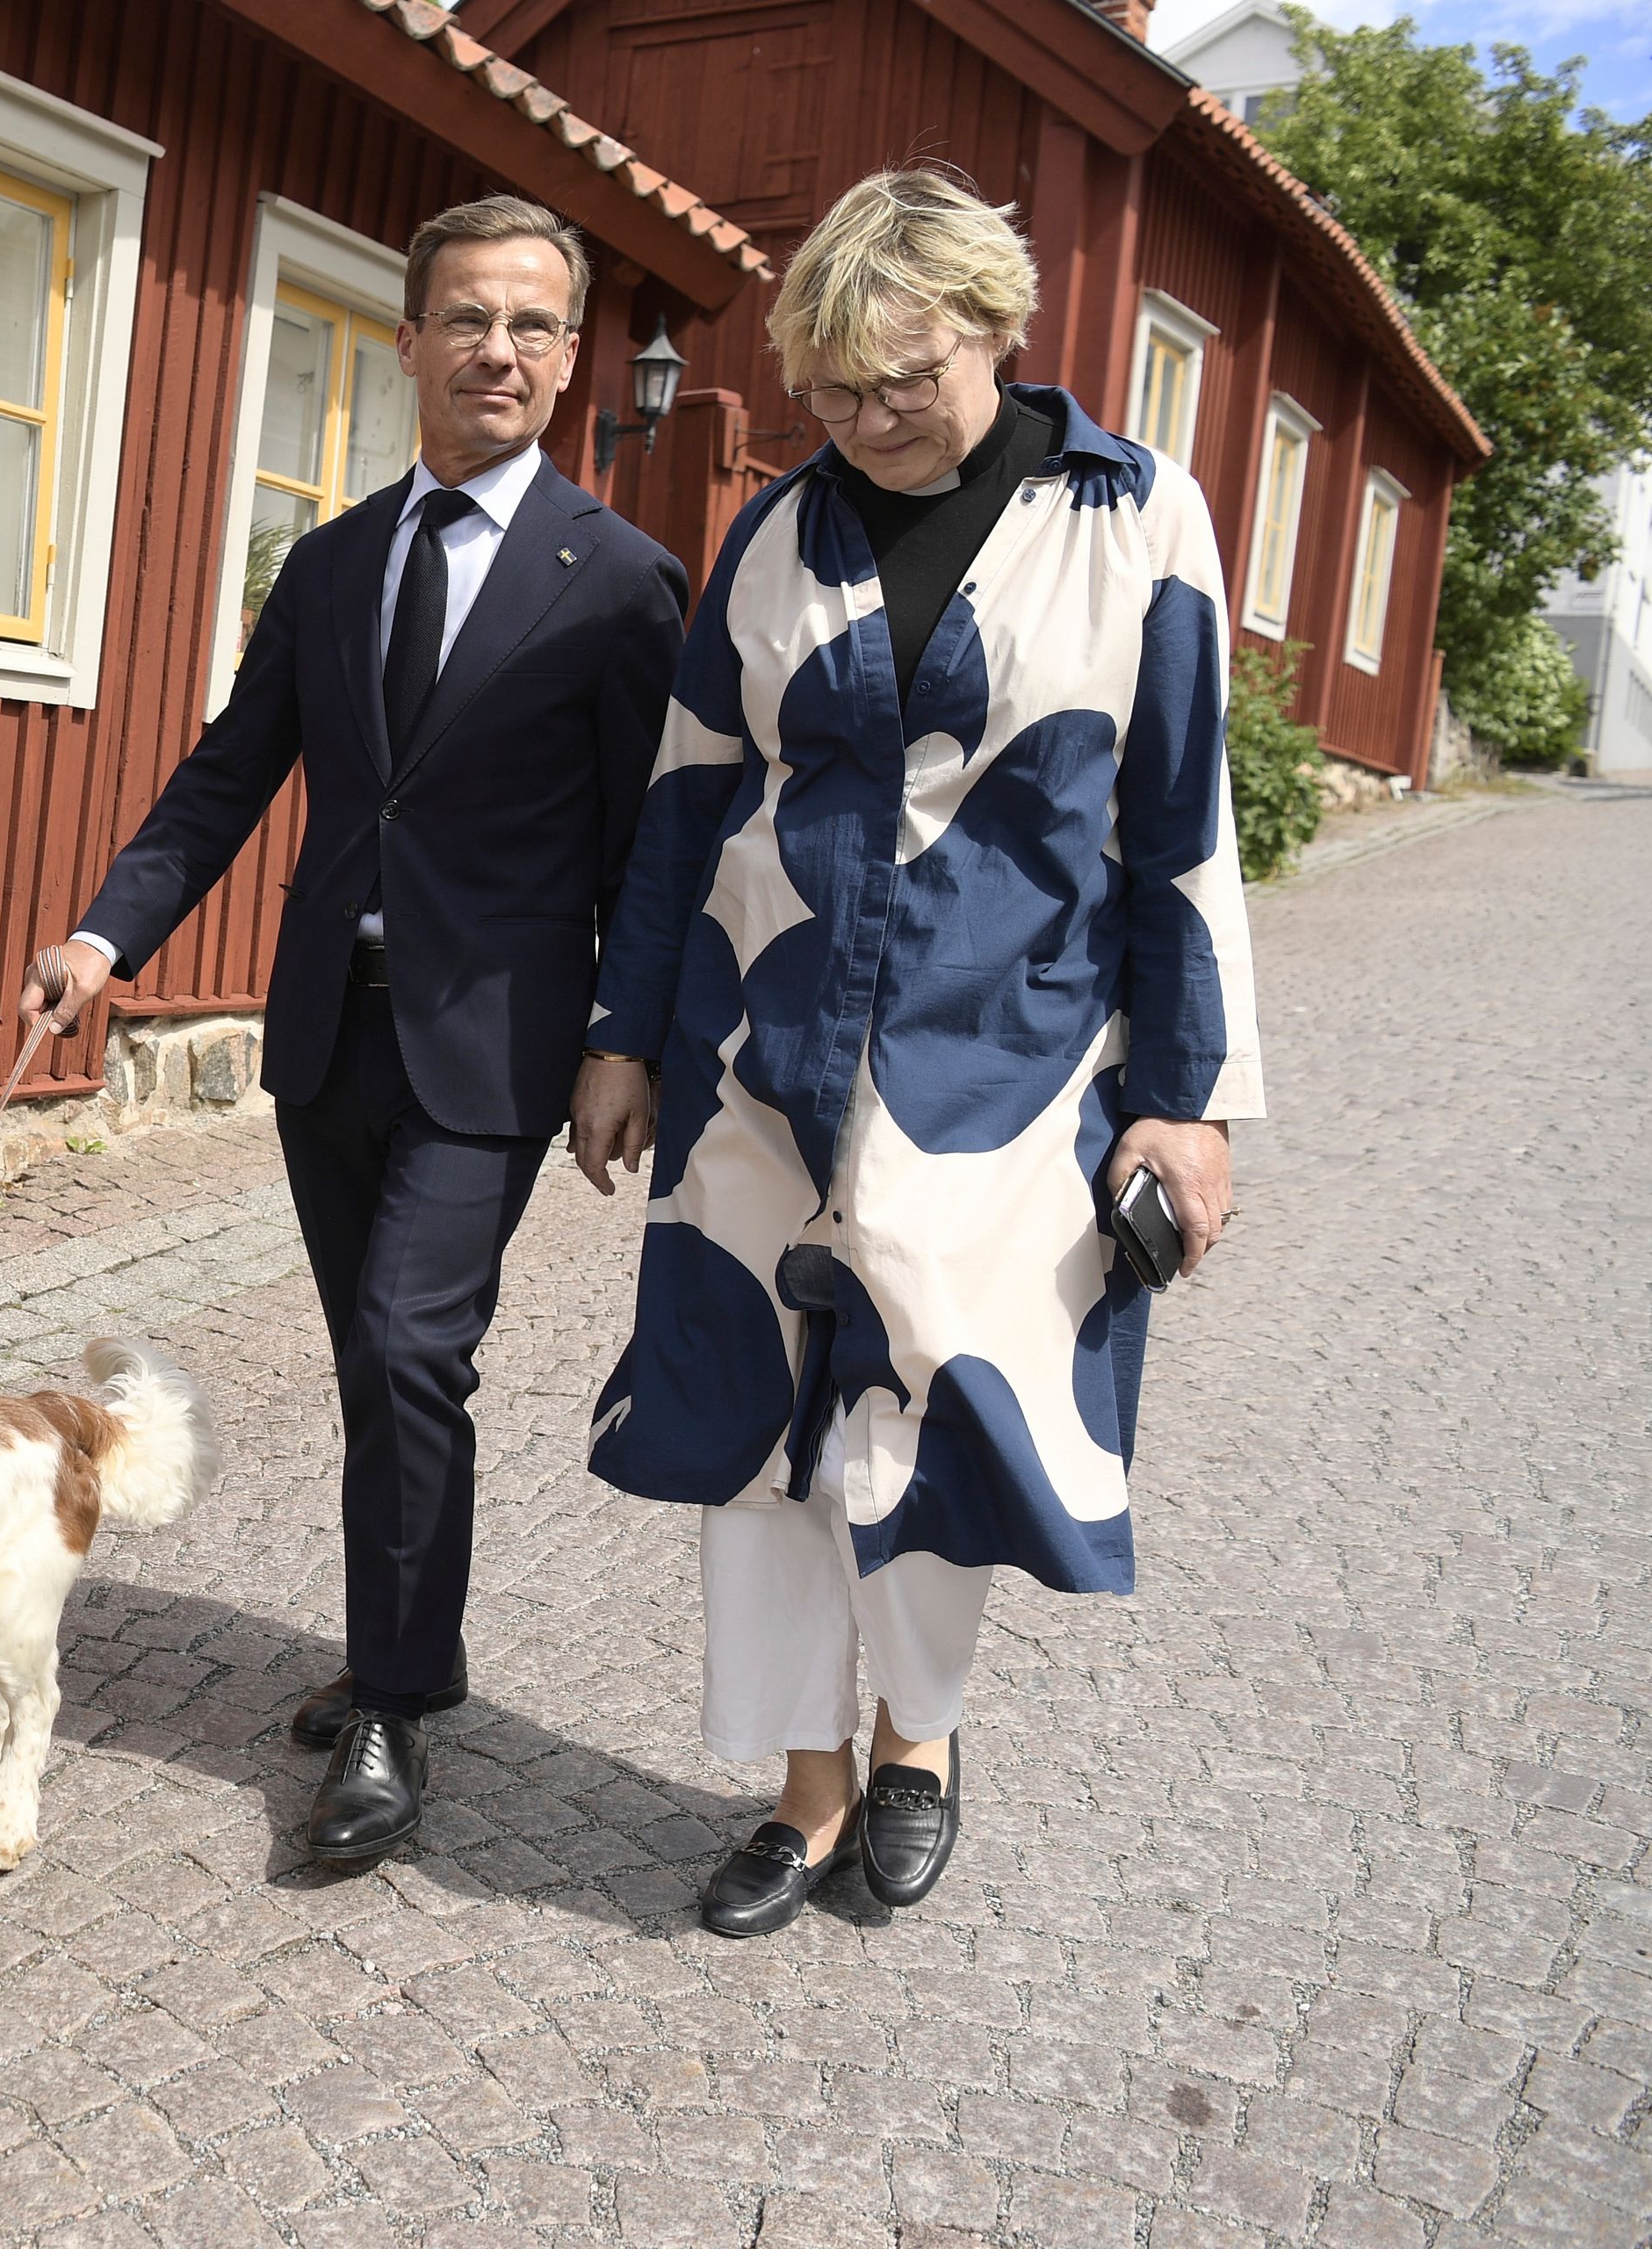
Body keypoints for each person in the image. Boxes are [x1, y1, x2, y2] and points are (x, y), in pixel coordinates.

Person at [566, 170, 1263, 1936]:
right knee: (756, 1417)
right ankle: (801, 1792)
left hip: (1005, 1072)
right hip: (760, 1045)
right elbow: (684, 798)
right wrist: (627, 1035)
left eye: (909, 379)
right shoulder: (776, 536)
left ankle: (919, 1741)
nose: (871, 421)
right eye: (835, 391)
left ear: (997, 330)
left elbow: (1180, 828)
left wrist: (1188, 1096)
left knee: (943, 1406)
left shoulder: (1135, 516)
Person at [20, 197, 688, 1865]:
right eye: (469, 318)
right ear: (408, 340)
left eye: (535, 326)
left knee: (407, 1349)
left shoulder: (617, 583)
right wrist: (106, 937)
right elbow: (229, 773)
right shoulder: (328, 564)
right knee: (377, 1368)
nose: (502, 352)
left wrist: (629, 1039)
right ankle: (416, 1648)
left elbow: (646, 843)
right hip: (328, 1031)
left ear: (568, 356)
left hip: (498, 1048)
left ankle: (389, 1705)